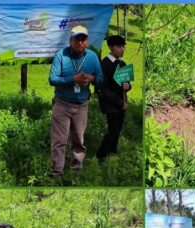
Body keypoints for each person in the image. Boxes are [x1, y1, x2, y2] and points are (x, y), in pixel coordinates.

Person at [48, 26, 104, 177]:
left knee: (79, 140)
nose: (80, 42)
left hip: (82, 105)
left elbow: (101, 78)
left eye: (83, 39)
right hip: (62, 103)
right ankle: (57, 172)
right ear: (70, 40)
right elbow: (52, 79)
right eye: (76, 39)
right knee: (59, 140)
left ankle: (76, 171)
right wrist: (72, 79)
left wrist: (91, 78)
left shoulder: (92, 57)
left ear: (87, 41)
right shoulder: (61, 55)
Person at [96, 35, 132, 161]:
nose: (122, 49)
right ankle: (100, 156)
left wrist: (128, 86)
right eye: (119, 47)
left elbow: (127, 84)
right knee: (113, 130)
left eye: (123, 47)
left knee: (117, 130)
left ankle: (112, 153)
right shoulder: (104, 64)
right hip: (110, 103)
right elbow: (102, 89)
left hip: (121, 102)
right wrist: (119, 103)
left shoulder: (122, 64)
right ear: (111, 48)